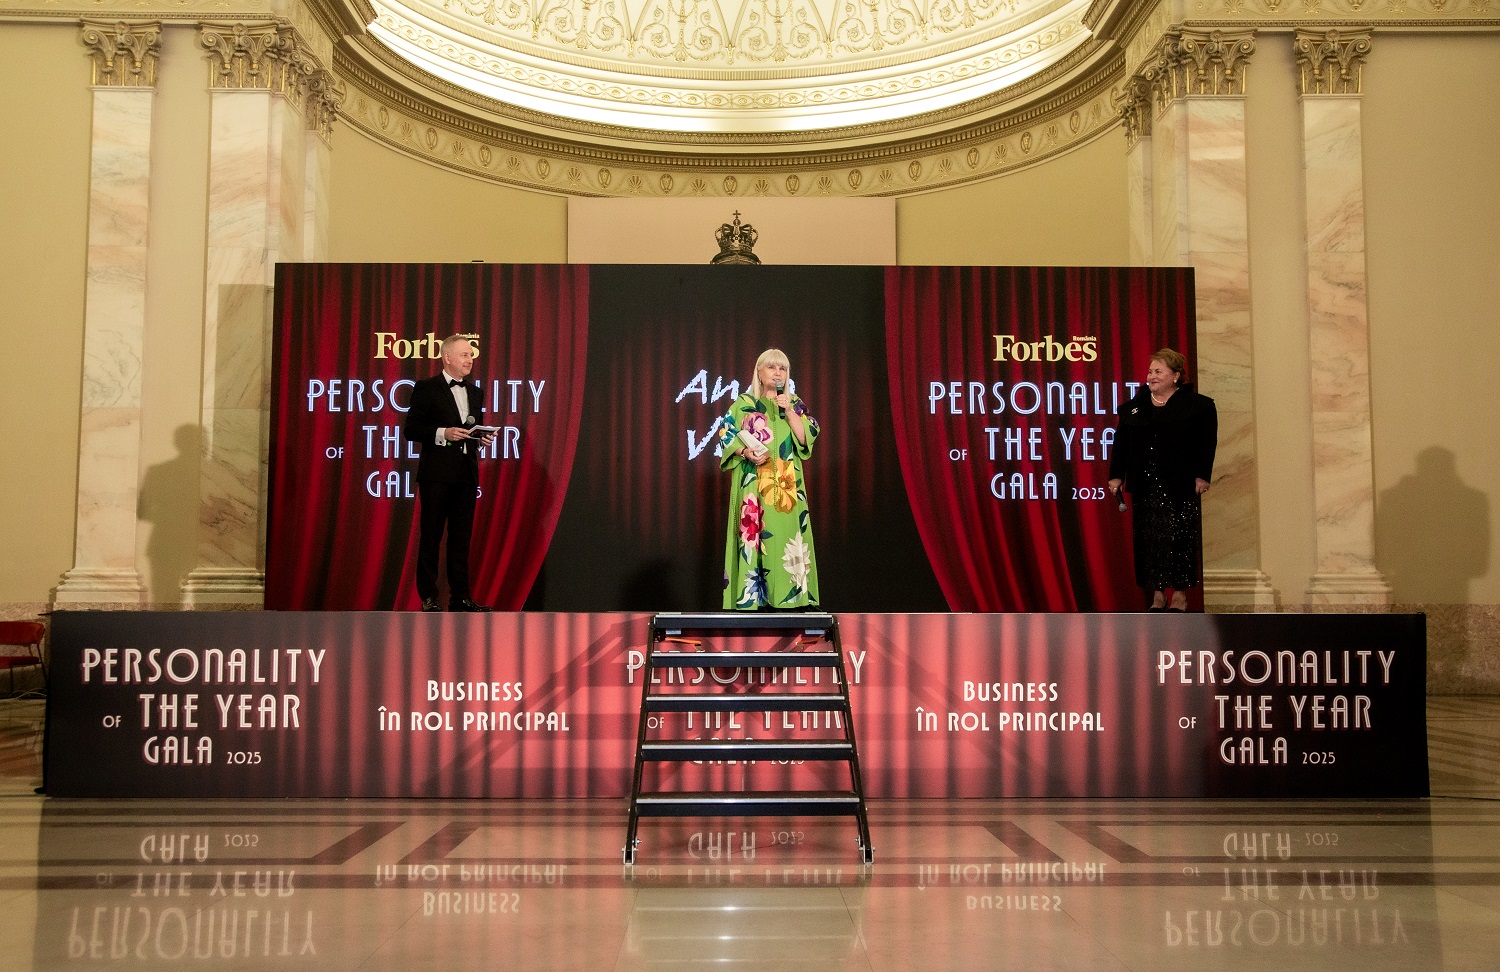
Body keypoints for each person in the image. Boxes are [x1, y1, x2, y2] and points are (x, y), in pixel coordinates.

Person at [1107, 348, 1216, 612]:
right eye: (1150, 371)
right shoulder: (1134, 409)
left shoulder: (1199, 406)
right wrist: (1116, 475)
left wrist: (1202, 475)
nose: (1151, 376)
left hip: (1181, 482)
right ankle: (1157, 594)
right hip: (1145, 484)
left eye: (1158, 371)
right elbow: (1120, 444)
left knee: (1179, 537)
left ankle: (1179, 593)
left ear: (1176, 376)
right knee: (1149, 538)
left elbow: (1206, 443)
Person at [717, 349, 821, 610]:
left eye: (782, 369)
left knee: (787, 540)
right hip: (753, 485)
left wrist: (790, 412)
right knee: (753, 539)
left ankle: (791, 600)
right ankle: (752, 600)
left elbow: (806, 437)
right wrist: (744, 452)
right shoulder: (744, 403)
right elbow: (725, 434)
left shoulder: (794, 403)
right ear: (759, 373)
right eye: (772, 368)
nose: (777, 373)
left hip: (786, 488)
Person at [403, 335, 497, 612]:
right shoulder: (426, 388)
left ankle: (461, 597)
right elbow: (411, 430)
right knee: (431, 536)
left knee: (461, 538)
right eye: (464, 355)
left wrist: (481, 438)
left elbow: (470, 430)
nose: (470, 360)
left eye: (471, 355)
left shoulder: (476, 392)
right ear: (447, 358)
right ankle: (429, 596)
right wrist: (443, 433)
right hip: (436, 475)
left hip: (466, 475)